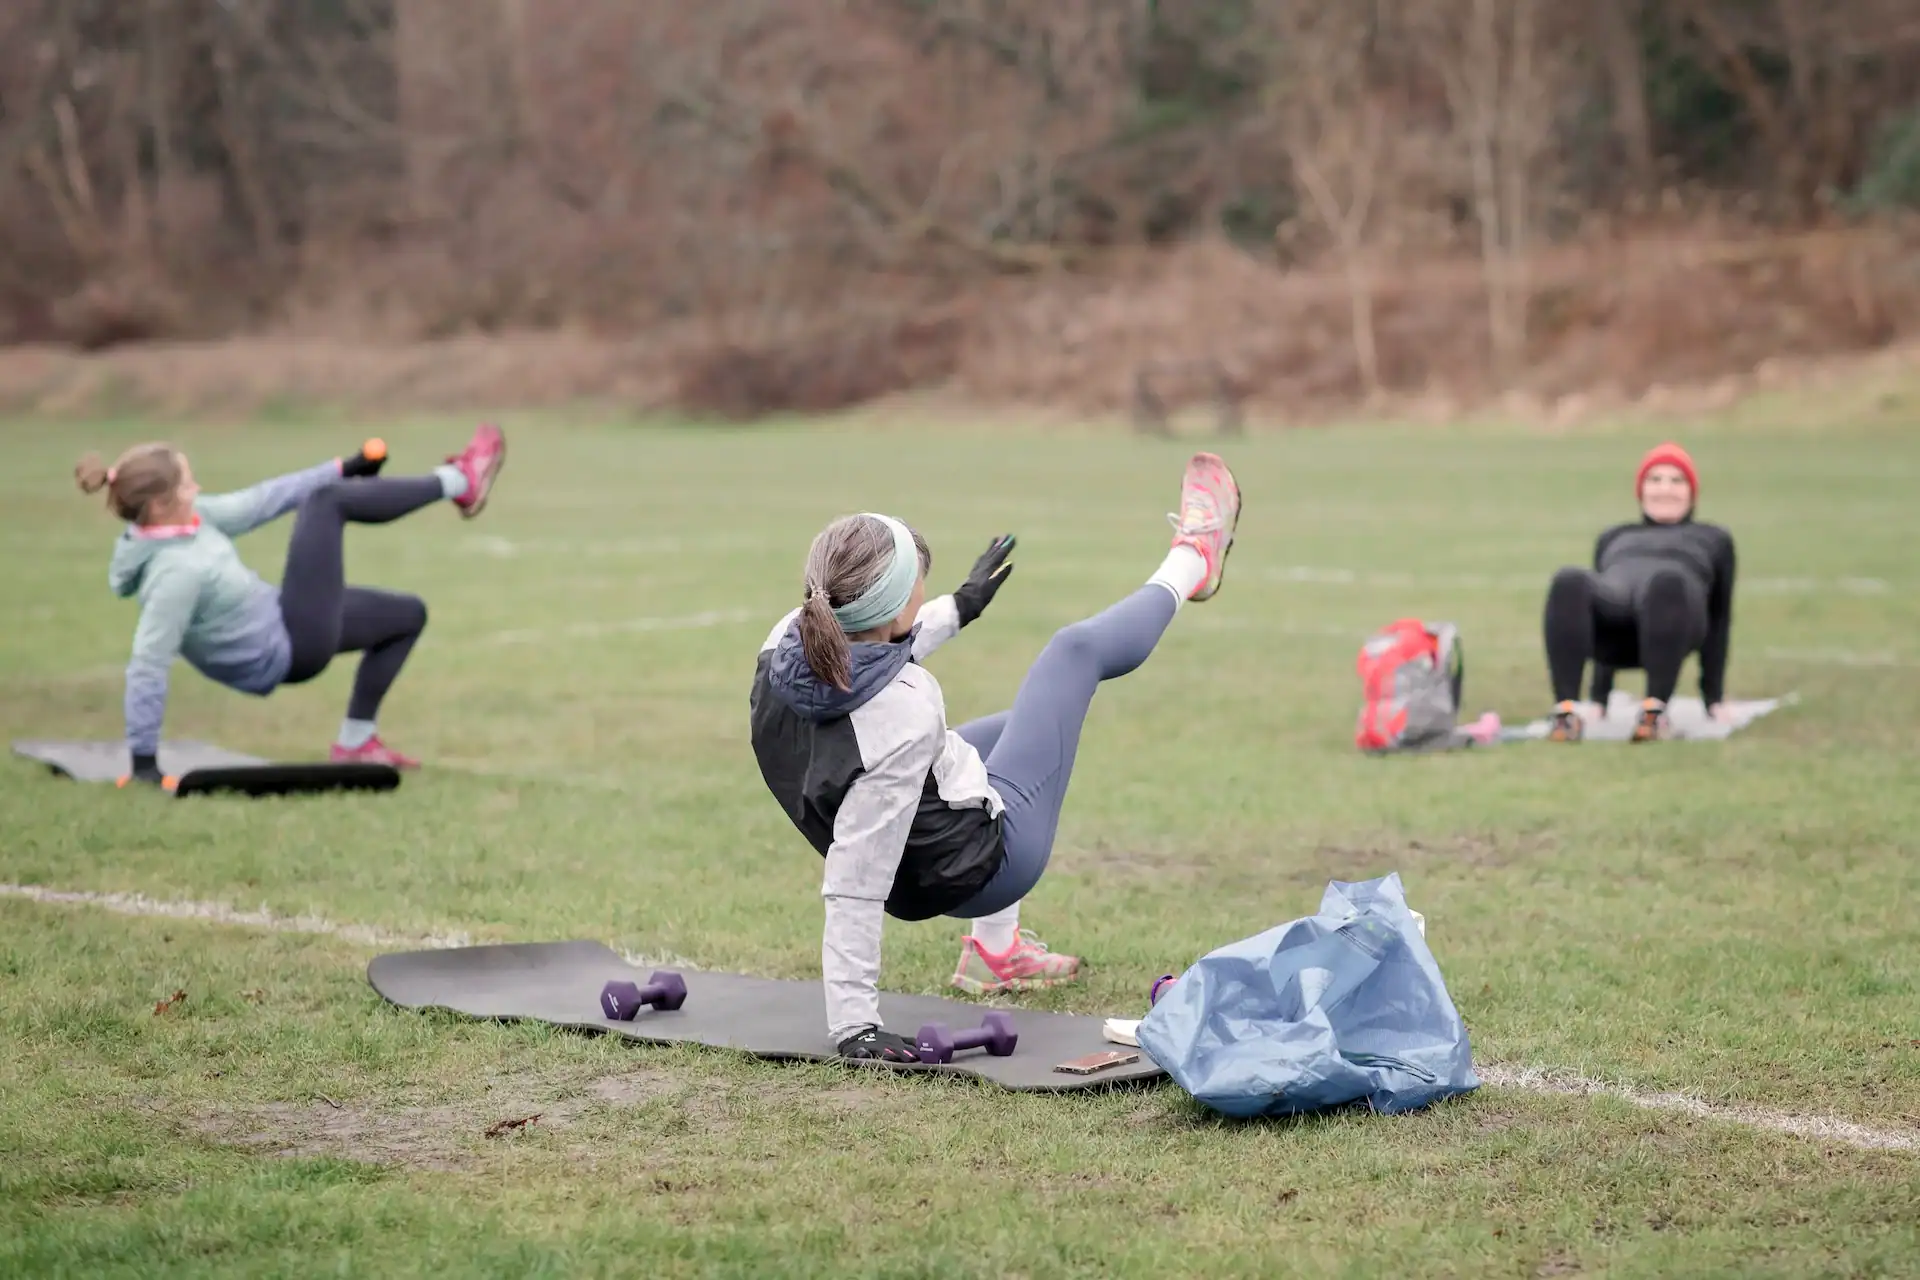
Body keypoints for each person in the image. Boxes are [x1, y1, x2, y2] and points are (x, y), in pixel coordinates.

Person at [749, 452, 1241, 1062]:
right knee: (1074, 653)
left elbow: (872, 650)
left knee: (1021, 725)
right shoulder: (903, 713)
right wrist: (855, 1026)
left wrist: (958, 607)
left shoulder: (786, 641)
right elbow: (854, 881)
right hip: (981, 867)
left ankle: (995, 955)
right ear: (896, 607)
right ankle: (1195, 553)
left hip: (915, 850)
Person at [76, 424, 507, 783]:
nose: (197, 486)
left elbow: (266, 499)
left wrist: (345, 467)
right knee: (327, 503)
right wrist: (145, 763)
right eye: (188, 482)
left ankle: (356, 744)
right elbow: (149, 663)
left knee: (406, 616)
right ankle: (460, 482)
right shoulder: (175, 573)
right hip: (284, 649)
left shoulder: (189, 519)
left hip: (281, 620)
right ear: (159, 503)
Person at [1542, 441, 1735, 742]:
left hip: (1676, 620)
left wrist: (1713, 698)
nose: (1665, 489)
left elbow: (1720, 618)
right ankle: (1566, 713)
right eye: (1655, 480)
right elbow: (1592, 601)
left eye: (1676, 480)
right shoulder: (1615, 535)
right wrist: (1599, 698)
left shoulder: (1713, 538)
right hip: (1618, 628)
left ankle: (1654, 712)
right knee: (1569, 580)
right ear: (1641, 490)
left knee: (1665, 582)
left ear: (1691, 492)